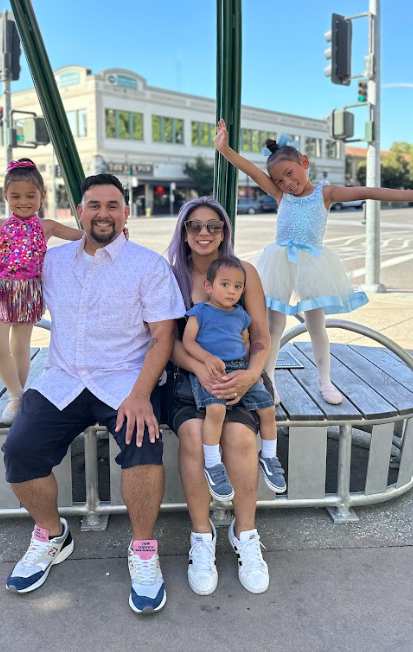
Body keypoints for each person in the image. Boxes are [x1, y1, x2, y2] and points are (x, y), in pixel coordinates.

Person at [0, 174, 185, 613]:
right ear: (79, 211)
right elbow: (10, 292)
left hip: (125, 380)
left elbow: (163, 338)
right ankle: (51, 534)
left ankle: (143, 548)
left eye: (112, 205)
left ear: (126, 213)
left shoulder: (147, 265)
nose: (102, 213)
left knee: (143, 447)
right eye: (93, 205)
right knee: (21, 451)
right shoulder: (53, 261)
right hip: (64, 378)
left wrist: (143, 393)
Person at [214, 120, 413, 404]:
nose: (286, 183)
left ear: (304, 162)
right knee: (274, 327)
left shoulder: (325, 193)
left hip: (312, 267)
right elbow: (251, 170)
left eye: (290, 173)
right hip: (279, 264)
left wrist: (411, 196)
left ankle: (325, 381)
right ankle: (267, 381)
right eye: (279, 180)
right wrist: (224, 149)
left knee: (316, 325)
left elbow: (366, 192)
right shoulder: (281, 195)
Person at [162, 196, 273, 597]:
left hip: (239, 375)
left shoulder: (245, 274)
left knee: (242, 437)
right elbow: (166, 341)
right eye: (195, 225)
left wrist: (250, 375)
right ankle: (201, 538)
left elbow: (260, 336)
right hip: (186, 377)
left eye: (214, 225)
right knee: (194, 435)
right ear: (184, 231)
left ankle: (245, 534)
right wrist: (199, 367)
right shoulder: (170, 275)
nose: (204, 233)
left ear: (225, 231)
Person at [0, 159, 84, 424]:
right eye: (15, 196)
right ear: (5, 196)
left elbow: (82, 237)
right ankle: (16, 392)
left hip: (28, 294)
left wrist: (115, 231)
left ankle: (17, 398)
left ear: (42, 196)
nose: (23, 201)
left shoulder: (47, 226)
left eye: (31, 195)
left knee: (21, 345)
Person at [182, 257, 287, 501]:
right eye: (225, 284)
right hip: (213, 370)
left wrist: (254, 373)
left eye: (238, 287)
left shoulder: (241, 315)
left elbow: (247, 342)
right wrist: (206, 358)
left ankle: (269, 456)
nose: (232, 291)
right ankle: (212, 463)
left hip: (240, 369)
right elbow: (187, 341)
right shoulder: (200, 312)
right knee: (216, 410)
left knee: (268, 408)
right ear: (209, 287)